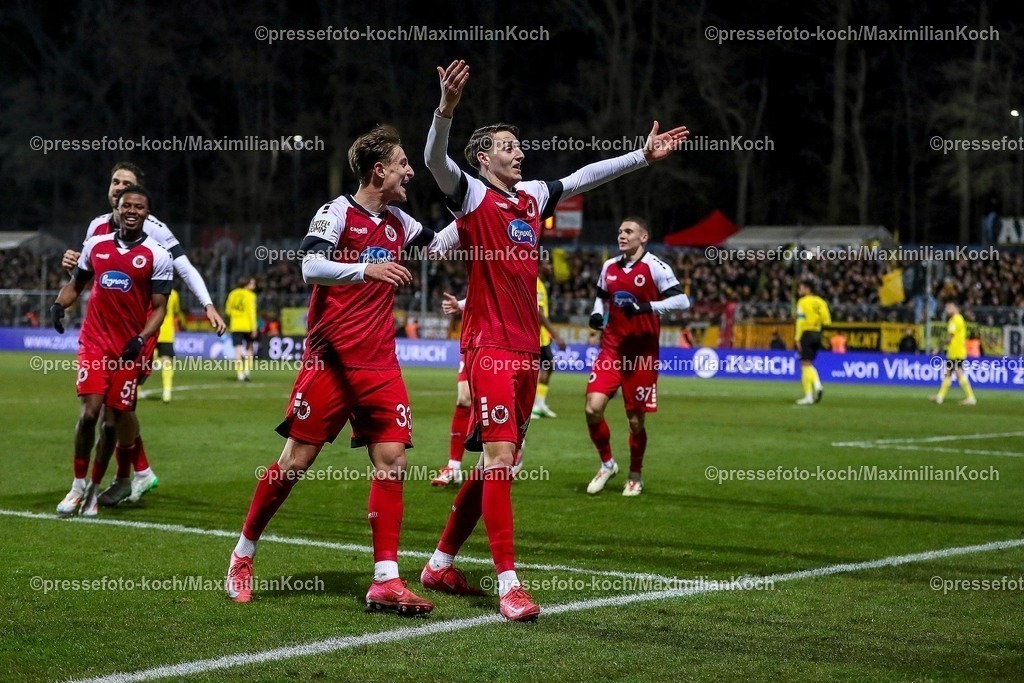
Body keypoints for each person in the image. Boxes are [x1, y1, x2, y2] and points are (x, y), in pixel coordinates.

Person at [418, 59, 688, 621]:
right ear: (483, 157)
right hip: (488, 347)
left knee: (502, 463)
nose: (519, 152)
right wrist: (445, 109)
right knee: (498, 462)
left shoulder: (533, 196)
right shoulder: (468, 194)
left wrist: (641, 155)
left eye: (519, 145)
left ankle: (440, 563)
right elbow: (433, 160)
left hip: (525, 349)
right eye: (508, 146)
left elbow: (585, 175)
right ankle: (509, 584)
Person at [225, 124, 450, 614]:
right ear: (379, 170)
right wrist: (364, 269)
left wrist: (486, 204)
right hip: (330, 361)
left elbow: (443, 243)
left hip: (380, 365)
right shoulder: (335, 213)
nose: (410, 172)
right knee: (294, 464)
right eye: (403, 164)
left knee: (392, 461)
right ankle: (243, 555)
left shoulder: (400, 223)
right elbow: (310, 266)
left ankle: (386, 579)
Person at [61, 162, 227, 506]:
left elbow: (183, 266)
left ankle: (129, 474)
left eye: (128, 184)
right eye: (115, 182)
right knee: (116, 409)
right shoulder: (97, 227)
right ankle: (137, 472)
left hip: (138, 331)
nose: (119, 188)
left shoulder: (156, 231)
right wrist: (72, 266)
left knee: (118, 408)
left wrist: (208, 303)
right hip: (102, 332)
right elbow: (90, 270)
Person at [51, 186, 172, 516]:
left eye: (139, 206)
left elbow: (159, 308)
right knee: (89, 414)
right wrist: (59, 305)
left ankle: (93, 487)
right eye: (126, 205)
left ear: (148, 213)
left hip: (128, 351)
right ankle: (76, 487)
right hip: (94, 344)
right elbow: (76, 284)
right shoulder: (96, 245)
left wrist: (142, 338)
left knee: (110, 423)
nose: (132, 210)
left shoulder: (157, 256)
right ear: (116, 210)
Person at [584, 218, 690, 496]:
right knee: (592, 408)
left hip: (642, 355)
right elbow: (601, 296)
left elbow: (682, 301)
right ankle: (607, 464)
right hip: (611, 349)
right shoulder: (609, 266)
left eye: (628, 231)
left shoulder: (655, 266)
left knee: (635, 421)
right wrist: (597, 313)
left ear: (643, 237)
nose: (622, 235)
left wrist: (646, 307)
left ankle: (635, 474)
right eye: (619, 231)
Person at [431, 292, 472, 487]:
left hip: (498, 342)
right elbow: (481, 292)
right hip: (472, 340)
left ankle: (513, 451)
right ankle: (454, 467)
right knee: (464, 399)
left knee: (496, 405)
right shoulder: (481, 266)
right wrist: (461, 304)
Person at [532, 262, 567, 419]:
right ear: (539, 266)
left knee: (548, 365)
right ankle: (534, 406)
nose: (551, 267)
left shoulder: (541, 283)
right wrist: (557, 335)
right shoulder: (536, 283)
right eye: (547, 264)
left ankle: (540, 404)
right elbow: (539, 313)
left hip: (543, 336)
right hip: (536, 335)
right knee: (538, 369)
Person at [930, 301, 977, 406]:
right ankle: (940, 397)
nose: (947, 310)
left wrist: (938, 347)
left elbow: (950, 337)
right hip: (954, 351)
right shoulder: (959, 319)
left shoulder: (955, 320)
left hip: (957, 352)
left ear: (955, 307)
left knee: (959, 374)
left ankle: (971, 398)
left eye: (949, 307)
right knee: (947, 373)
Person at [794, 280, 831, 405]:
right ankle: (810, 394)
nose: (799, 290)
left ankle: (816, 387)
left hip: (807, 333)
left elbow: (800, 320)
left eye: (801, 287)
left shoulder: (802, 302)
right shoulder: (821, 302)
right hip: (817, 333)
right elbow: (827, 321)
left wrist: (797, 338)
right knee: (807, 364)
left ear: (807, 289)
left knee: (805, 364)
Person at [155, 283, 185, 403]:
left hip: (150, 330)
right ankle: (167, 392)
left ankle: (137, 390)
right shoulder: (174, 294)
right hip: (166, 332)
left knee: (143, 361)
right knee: (167, 361)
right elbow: (176, 311)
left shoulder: (149, 291)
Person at [225, 277, 258, 381]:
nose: (254, 285)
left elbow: (228, 311)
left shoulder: (232, 294)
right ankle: (247, 370)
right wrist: (254, 328)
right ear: (246, 284)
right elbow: (251, 312)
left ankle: (240, 373)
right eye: (252, 283)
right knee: (250, 348)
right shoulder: (250, 295)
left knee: (237, 350)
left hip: (235, 325)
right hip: (247, 325)